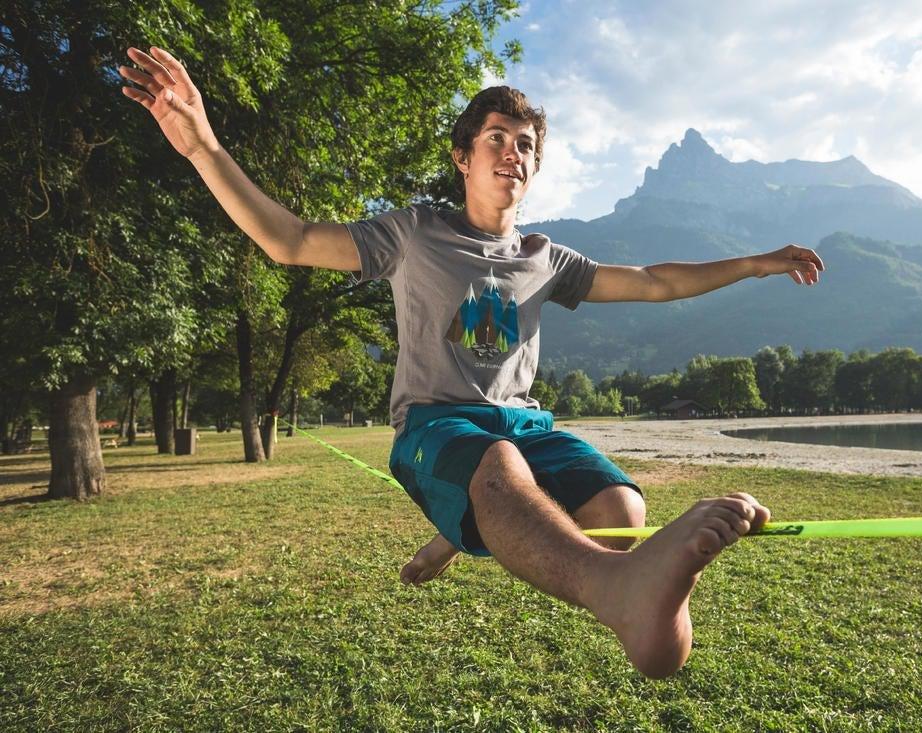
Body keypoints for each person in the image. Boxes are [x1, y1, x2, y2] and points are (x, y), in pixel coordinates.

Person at [120, 46, 824, 678]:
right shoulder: (413, 233)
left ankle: (629, 597)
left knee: (620, 505)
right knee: (498, 469)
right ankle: (619, 589)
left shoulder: (545, 258)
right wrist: (202, 145)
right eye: (496, 139)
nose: (513, 152)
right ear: (463, 157)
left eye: (526, 145)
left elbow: (653, 280)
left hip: (524, 428)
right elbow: (290, 238)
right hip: (438, 427)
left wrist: (757, 263)